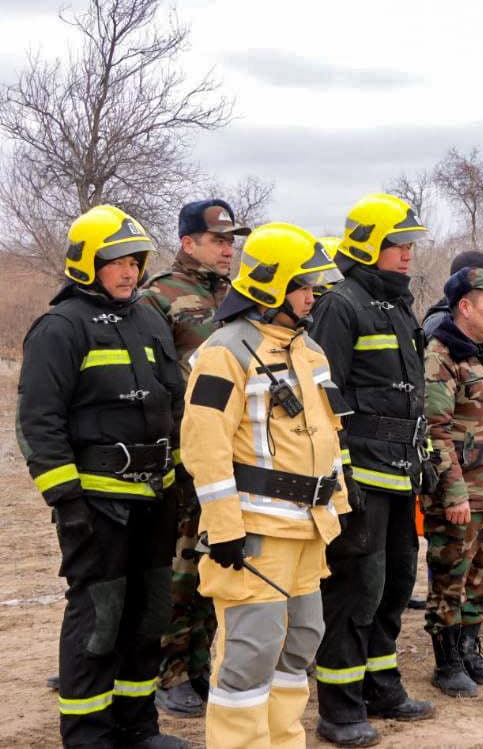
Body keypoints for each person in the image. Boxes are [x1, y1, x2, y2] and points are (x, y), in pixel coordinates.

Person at [17, 205, 187, 749]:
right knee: (99, 622)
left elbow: (174, 403)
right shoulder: (59, 328)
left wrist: (181, 478)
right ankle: (89, 735)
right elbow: (38, 423)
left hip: (156, 497)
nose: (128, 271)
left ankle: (138, 728)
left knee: (149, 614)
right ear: (86, 263)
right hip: (97, 503)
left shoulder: (148, 318)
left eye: (135, 261)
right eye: (115, 261)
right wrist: (66, 502)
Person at [182, 222, 351, 749]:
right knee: (250, 653)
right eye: (303, 285)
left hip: (307, 530)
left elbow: (328, 432)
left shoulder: (310, 351)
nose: (313, 296)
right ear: (270, 286)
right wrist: (224, 527)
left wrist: (339, 504)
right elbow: (204, 448)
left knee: (299, 645)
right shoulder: (223, 352)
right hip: (255, 532)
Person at [310, 193, 434, 745]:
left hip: (401, 469)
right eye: (397, 245)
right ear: (368, 245)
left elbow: (411, 393)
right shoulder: (341, 303)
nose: (407, 254)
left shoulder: (398, 304)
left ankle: (381, 683)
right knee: (355, 590)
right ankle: (339, 707)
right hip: (362, 471)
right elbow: (323, 397)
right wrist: (340, 475)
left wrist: (422, 457)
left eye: (409, 245)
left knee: (396, 584)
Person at [140, 199, 250, 719]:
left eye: (232, 241)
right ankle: (171, 670)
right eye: (218, 240)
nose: (229, 249)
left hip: (228, 454)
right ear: (188, 243)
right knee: (181, 564)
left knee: (215, 557)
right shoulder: (158, 295)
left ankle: (202, 661)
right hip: (184, 456)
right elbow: (155, 379)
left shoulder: (234, 297)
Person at [422, 265, 483, 697]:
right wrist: (453, 492)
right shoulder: (441, 354)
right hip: (459, 496)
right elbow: (435, 429)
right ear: (465, 306)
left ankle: (470, 650)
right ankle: (447, 663)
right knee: (450, 579)